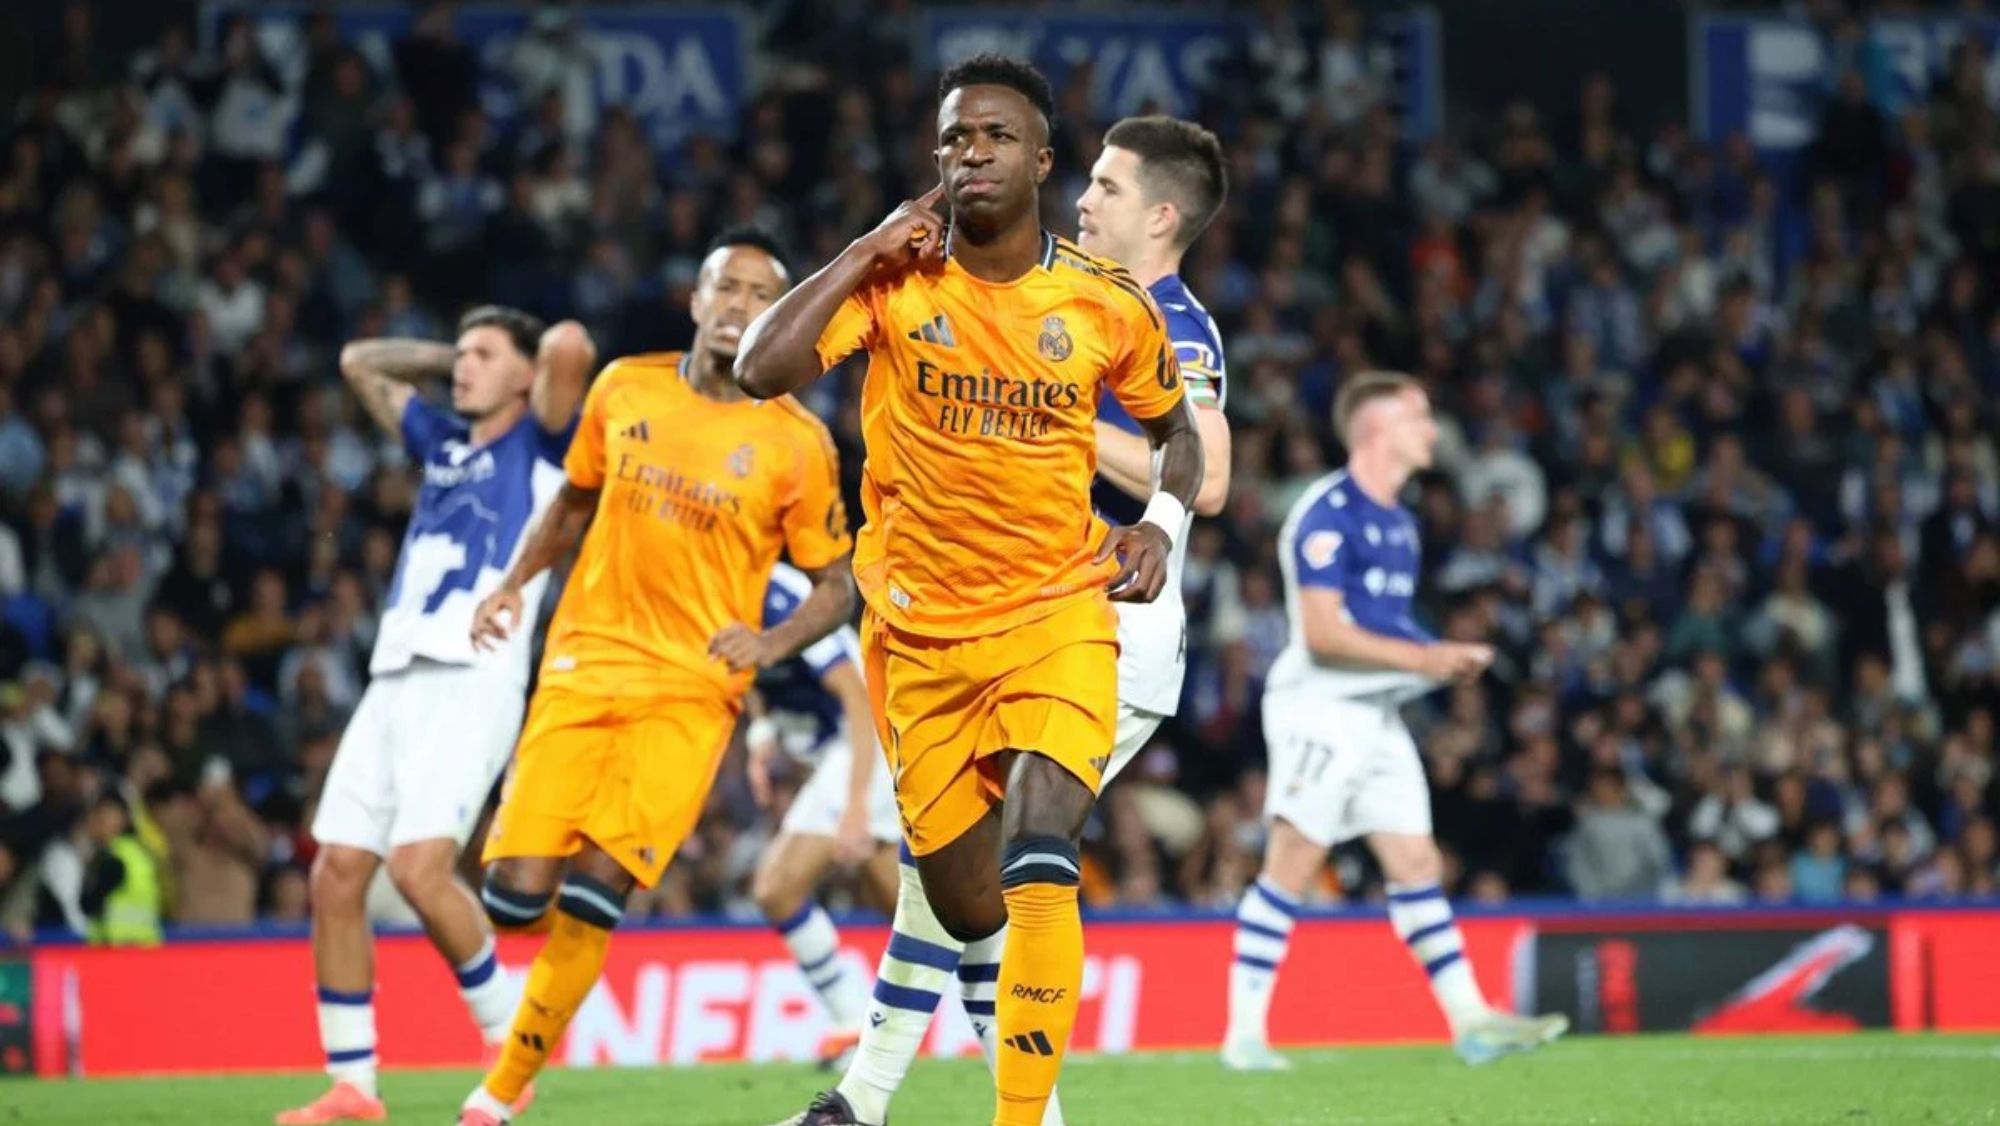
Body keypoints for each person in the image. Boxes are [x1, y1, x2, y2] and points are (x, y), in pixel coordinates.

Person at [737, 55, 1206, 1126]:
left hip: (1054, 612)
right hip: (915, 639)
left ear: (1040, 158)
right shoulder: (895, 280)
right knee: (960, 899)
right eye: (953, 138)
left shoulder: (1100, 301)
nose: (971, 153)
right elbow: (760, 372)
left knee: (1042, 850)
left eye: (994, 135)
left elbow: (1177, 434)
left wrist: (1159, 527)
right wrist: (860, 249)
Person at [453, 227, 855, 1126]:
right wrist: (513, 585)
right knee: (512, 900)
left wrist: (772, 641)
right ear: (696, 302)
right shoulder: (624, 385)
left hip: (690, 692)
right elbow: (573, 501)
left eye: (762, 294)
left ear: (780, 314)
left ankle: (498, 1097)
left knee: (597, 893)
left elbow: (840, 582)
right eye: (727, 288)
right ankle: (515, 1046)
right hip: (583, 666)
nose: (741, 305)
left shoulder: (796, 440)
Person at [278, 307, 593, 1126]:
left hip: (474, 673)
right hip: (393, 676)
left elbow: (570, 345)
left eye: (484, 356)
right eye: (461, 355)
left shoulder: (547, 447)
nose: (462, 368)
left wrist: (529, 359)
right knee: (336, 874)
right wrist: (449, 355)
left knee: (420, 869)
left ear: (525, 376)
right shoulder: (444, 444)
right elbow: (356, 359)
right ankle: (355, 1087)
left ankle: (510, 1052)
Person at [1220, 371, 1568, 1070]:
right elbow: (1322, 632)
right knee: (1294, 860)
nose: (1433, 430)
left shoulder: (1402, 523)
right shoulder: (1326, 514)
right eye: (1419, 417)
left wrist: (1441, 660)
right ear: (1379, 429)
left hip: (1375, 713)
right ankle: (1244, 1035)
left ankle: (1470, 1021)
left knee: (1415, 861)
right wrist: (1428, 658)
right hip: (1319, 707)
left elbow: (1386, 626)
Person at [746, 562, 899, 1065]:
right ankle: (1020, 987)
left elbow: (855, 696)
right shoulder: (715, 583)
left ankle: (851, 1021)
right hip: (827, 752)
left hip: (862, 742)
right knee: (913, 910)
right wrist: (761, 734)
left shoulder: (783, 594)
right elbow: (739, 665)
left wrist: (855, 806)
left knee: (776, 887)